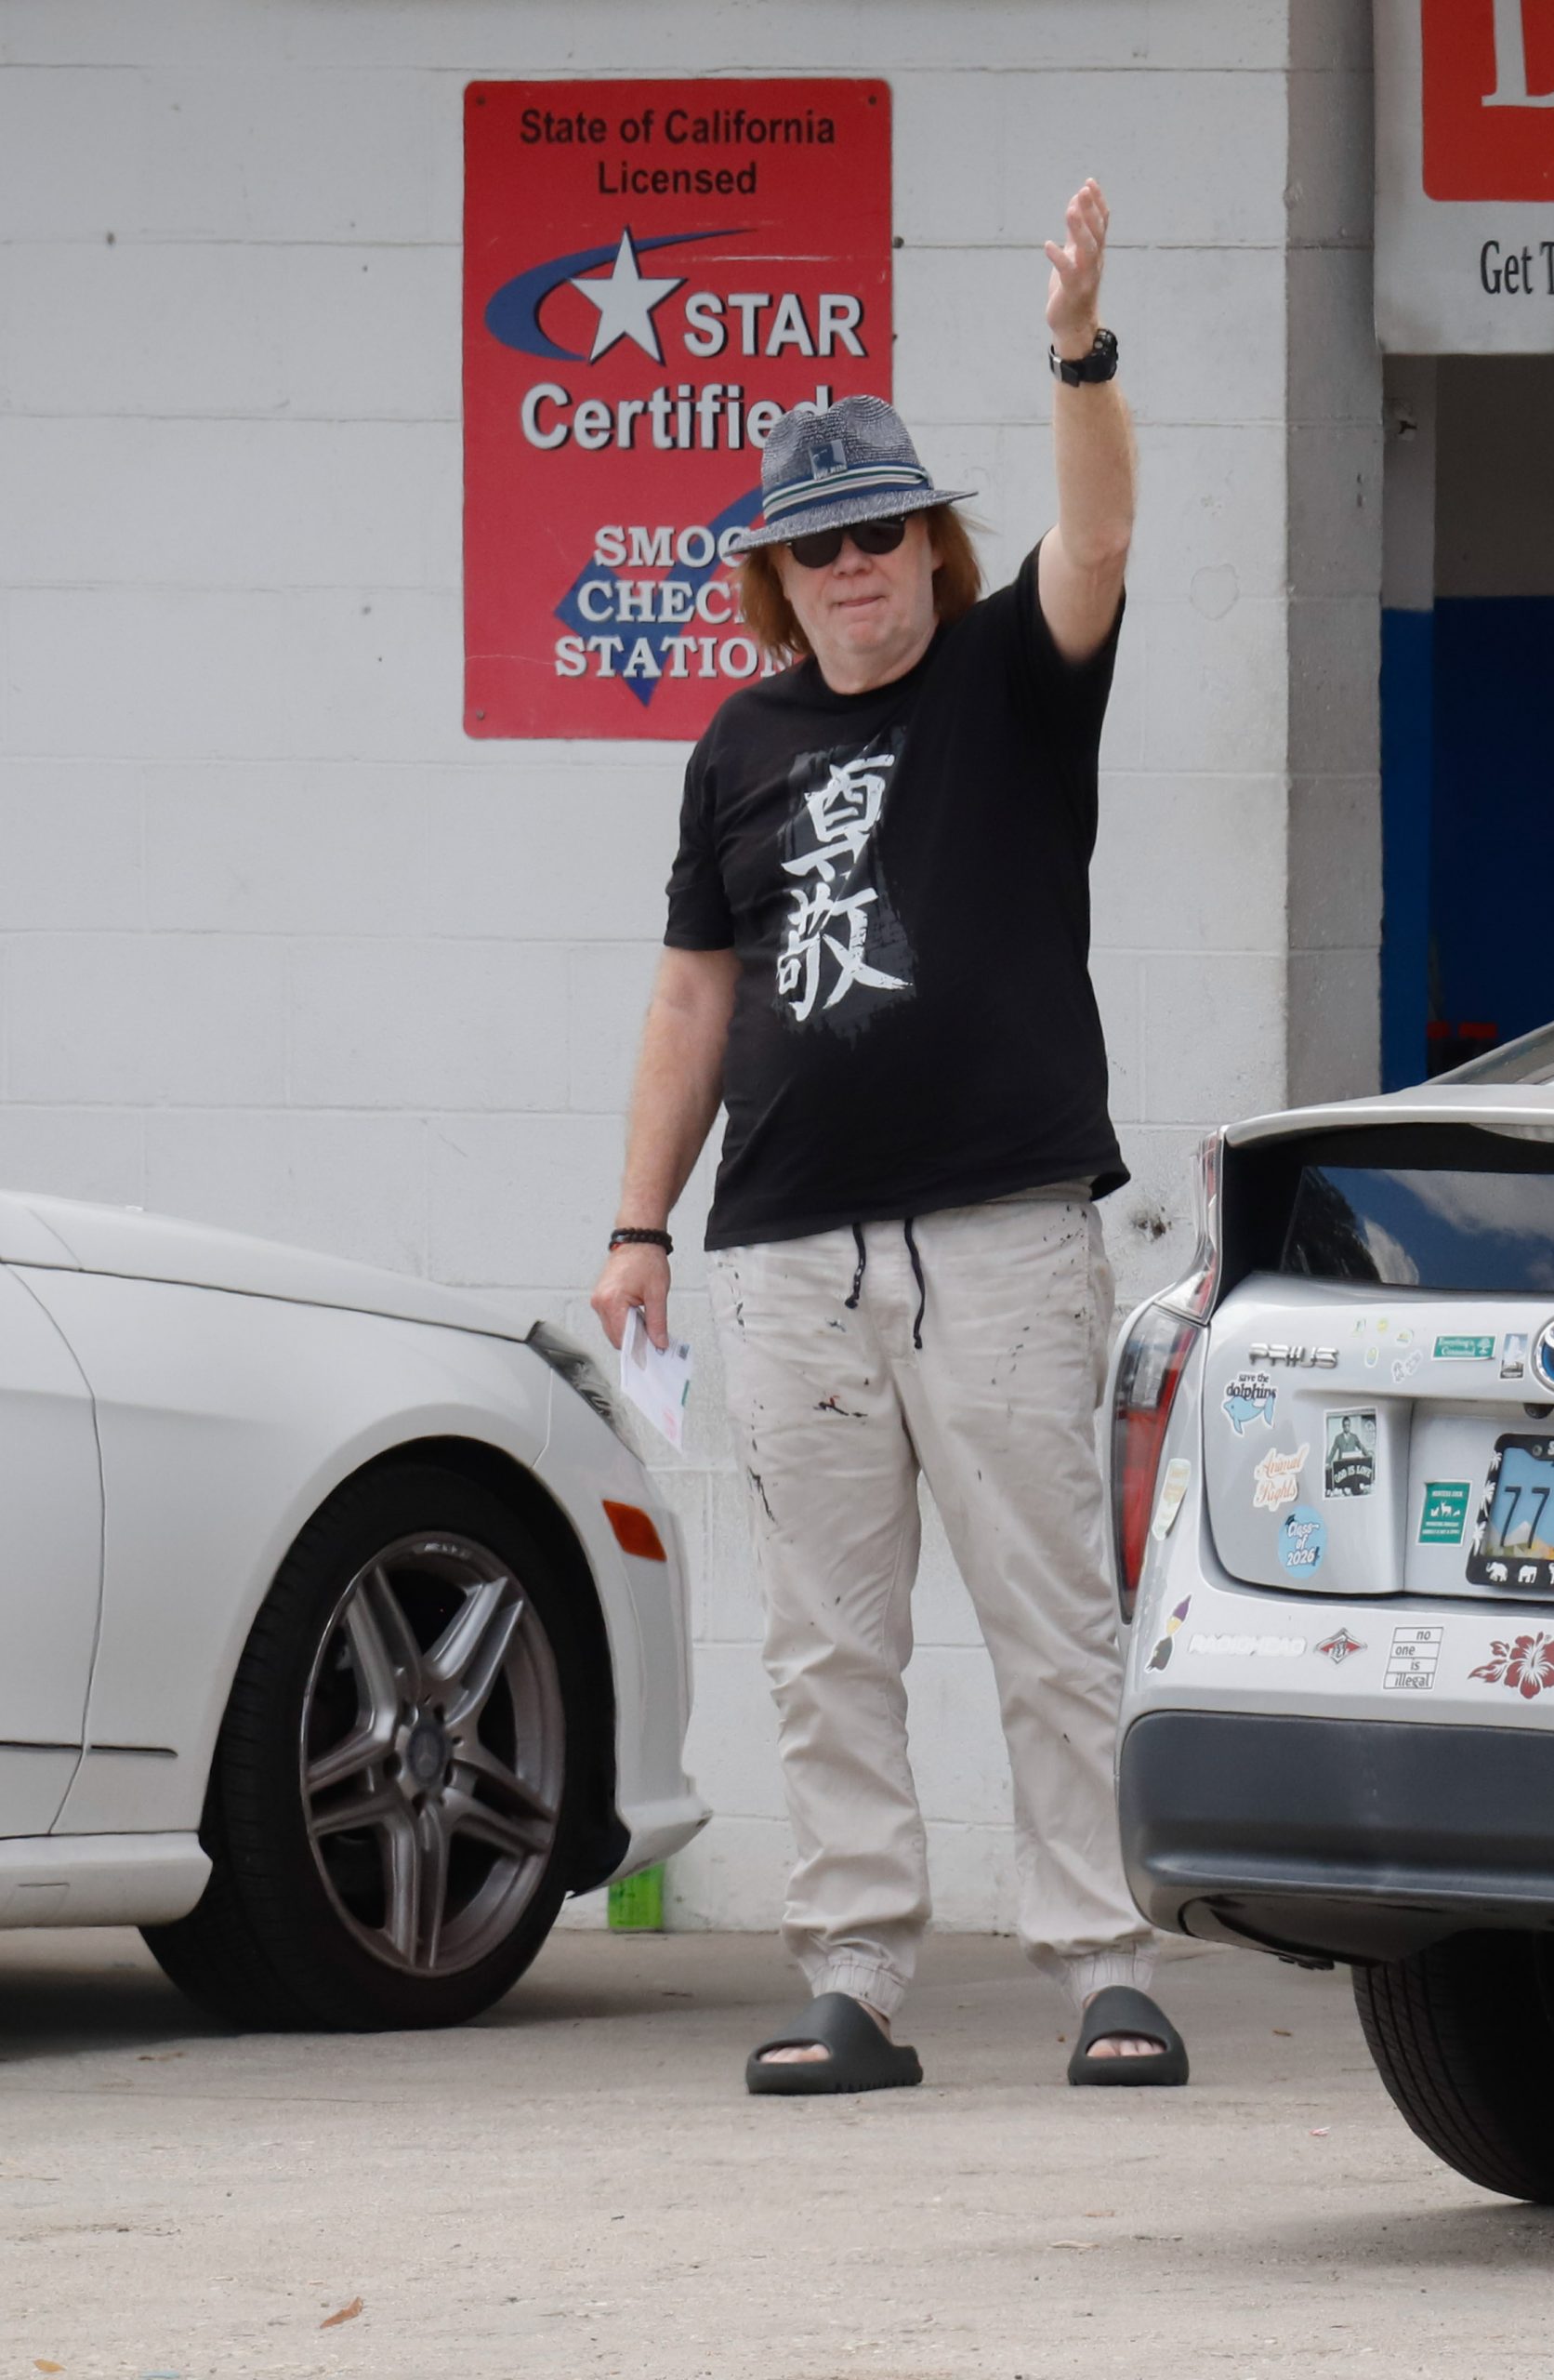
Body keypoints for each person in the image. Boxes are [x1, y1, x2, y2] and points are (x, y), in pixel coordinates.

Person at [591, 180, 1186, 2096]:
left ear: (932, 546)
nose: (853, 570)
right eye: (817, 548)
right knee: (823, 1640)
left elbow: (1095, 526)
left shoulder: (1014, 677)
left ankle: (1103, 1961)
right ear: (779, 576)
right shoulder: (734, 748)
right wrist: (636, 1224)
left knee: (1046, 1619)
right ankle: (851, 1976)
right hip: (785, 1256)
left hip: (1002, 1235)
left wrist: (1076, 348)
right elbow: (693, 995)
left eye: (881, 536)